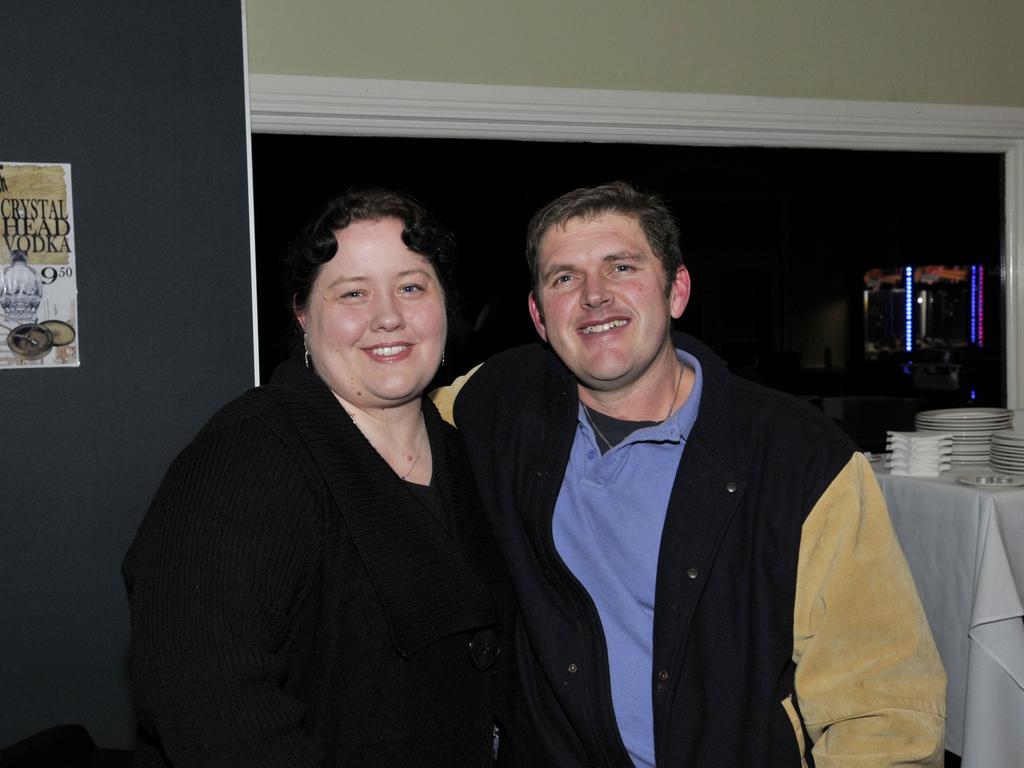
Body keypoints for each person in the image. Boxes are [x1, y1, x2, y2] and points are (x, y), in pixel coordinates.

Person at [433, 181, 946, 767]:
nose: (594, 296)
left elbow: (882, 710)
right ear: (540, 317)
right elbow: (383, 419)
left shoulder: (800, 460)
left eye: (621, 266)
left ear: (676, 290)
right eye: (564, 278)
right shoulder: (498, 406)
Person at [123, 189, 517, 767]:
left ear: (443, 305)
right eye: (353, 293)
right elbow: (205, 704)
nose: (388, 316)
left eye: (411, 286)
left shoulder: (466, 453)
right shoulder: (249, 456)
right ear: (304, 315)